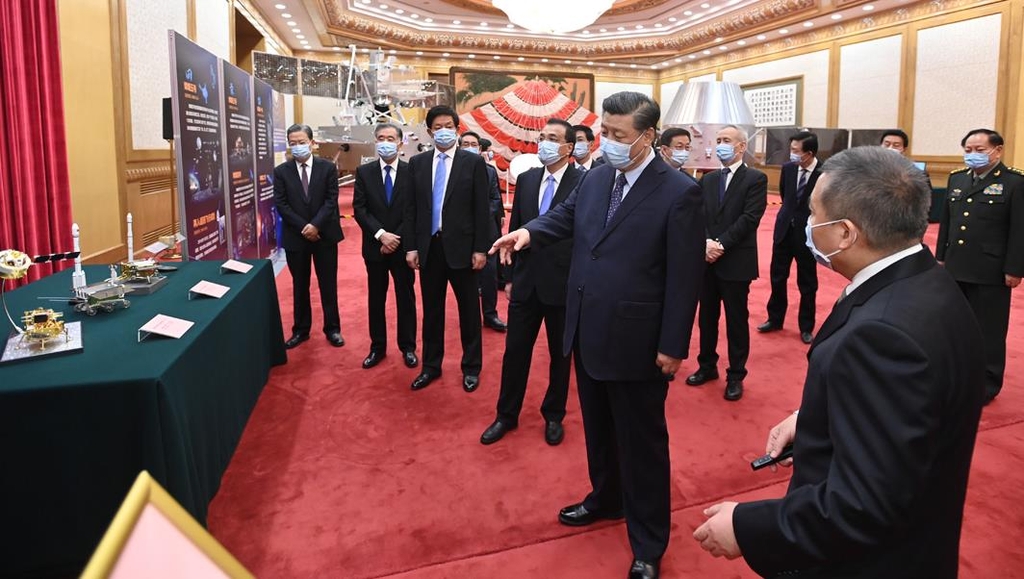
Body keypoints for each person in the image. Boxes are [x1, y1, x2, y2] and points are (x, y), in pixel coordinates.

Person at [693, 146, 986, 578]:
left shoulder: (883, 336)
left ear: (846, 232)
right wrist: (816, 419)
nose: (806, 225)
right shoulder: (922, 278)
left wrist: (747, 528)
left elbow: (864, 505)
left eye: (813, 214)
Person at [492, 92, 705, 579]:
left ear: (648, 136)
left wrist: (673, 345)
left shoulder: (678, 192)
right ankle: (606, 498)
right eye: (605, 131)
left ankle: (649, 541)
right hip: (586, 329)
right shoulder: (595, 178)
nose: (606, 142)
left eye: (619, 136)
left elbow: (684, 277)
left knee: (642, 443)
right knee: (599, 430)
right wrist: (528, 233)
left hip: (639, 340)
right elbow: (565, 217)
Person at [480, 118, 580, 447]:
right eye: (542, 137)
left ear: (568, 147)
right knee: (515, 353)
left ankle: (554, 414)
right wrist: (508, 278)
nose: (544, 143)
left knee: (560, 355)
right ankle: (506, 415)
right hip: (525, 282)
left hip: (563, 285)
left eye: (553, 138)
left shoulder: (585, 182)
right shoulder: (526, 179)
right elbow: (515, 228)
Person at [405, 105, 490, 393]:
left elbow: (481, 210)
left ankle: (471, 367)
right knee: (432, 311)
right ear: (429, 132)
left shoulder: (472, 163)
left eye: (449, 125)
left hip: (464, 250)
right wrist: (412, 247)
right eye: (437, 126)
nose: (443, 130)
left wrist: (481, 249)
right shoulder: (417, 164)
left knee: (468, 311)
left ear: (457, 128)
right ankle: (431, 366)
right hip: (430, 248)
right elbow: (412, 209)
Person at [937, 128, 1024, 404]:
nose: (972, 155)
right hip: (956, 266)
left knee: (989, 329)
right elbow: (947, 222)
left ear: (997, 151)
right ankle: (957, 374)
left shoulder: (1014, 183)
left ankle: (987, 383)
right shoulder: (957, 179)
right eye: (968, 150)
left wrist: (1015, 268)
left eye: (980, 150)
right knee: (955, 325)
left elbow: (1019, 230)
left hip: (991, 269)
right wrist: (941, 257)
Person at [686, 125, 768, 401]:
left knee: (736, 320)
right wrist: (706, 242)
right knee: (707, 318)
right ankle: (706, 366)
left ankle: (736, 374)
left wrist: (720, 244)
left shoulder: (755, 179)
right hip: (706, 261)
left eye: (726, 140)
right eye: (718, 140)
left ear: (741, 146)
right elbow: (698, 215)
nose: (720, 144)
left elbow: (750, 218)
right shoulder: (707, 179)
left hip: (735, 261)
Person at [352, 122, 418, 370]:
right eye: (381, 138)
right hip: (375, 247)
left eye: (391, 138)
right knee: (376, 298)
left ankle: (408, 347)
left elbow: (413, 210)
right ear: (375, 141)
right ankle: (377, 347)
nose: (386, 142)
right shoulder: (364, 172)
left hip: (402, 248)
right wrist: (381, 235)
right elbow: (360, 209)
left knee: (406, 298)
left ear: (400, 143)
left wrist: (395, 238)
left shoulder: (411, 171)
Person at [273, 123, 344, 349]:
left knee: (328, 284)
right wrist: (305, 226)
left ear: (312, 144)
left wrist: (316, 225)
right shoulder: (281, 171)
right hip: (297, 236)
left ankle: (333, 329)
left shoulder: (327, 168)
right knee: (299, 285)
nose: (298, 147)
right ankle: (301, 330)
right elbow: (281, 204)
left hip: (324, 235)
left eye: (302, 142)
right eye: (293, 143)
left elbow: (331, 200)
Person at [759, 131, 821, 344]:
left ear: (809, 153)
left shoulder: (825, 173)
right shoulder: (788, 168)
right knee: (778, 277)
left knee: (807, 282)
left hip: (807, 235)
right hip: (784, 230)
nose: (792, 154)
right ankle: (775, 319)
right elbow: (786, 198)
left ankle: (806, 326)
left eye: (796, 151)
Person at [459, 131, 507, 332]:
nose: (470, 147)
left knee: (489, 274)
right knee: (465, 275)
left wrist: (479, 217)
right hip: (461, 231)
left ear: (480, 149)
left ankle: (490, 314)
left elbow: (495, 199)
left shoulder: (489, 171)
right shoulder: (454, 170)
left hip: (487, 230)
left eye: (474, 144)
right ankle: (469, 317)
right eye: (466, 143)